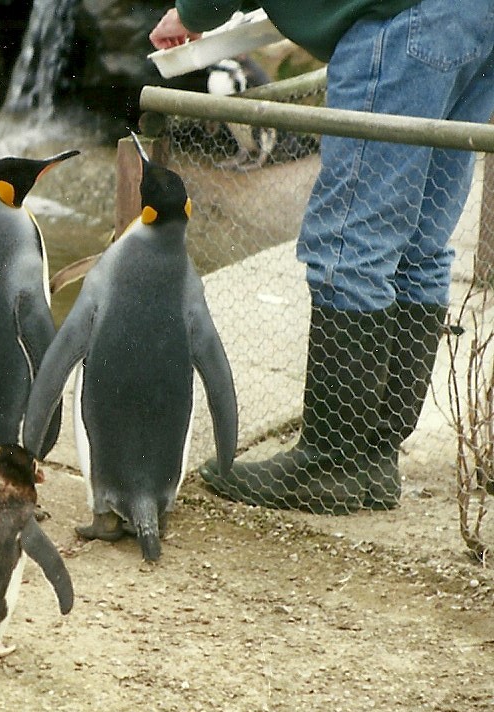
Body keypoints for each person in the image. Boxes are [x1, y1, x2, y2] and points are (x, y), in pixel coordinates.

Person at [149, 0, 494, 514]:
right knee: (419, 244)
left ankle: (331, 463)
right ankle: (374, 459)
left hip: (401, 24)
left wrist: (195, 11)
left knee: (350, 246)